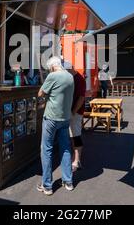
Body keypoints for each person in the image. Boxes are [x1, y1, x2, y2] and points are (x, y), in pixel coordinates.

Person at [37, 57, 75, 196]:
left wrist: (46, 83)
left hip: (51, 118)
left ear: (52, 67)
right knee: (65, 148)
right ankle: (68, 181)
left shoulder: (52, 76)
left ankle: (47, 185)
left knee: (46, 150)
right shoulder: (70, 76)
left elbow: (40, 93)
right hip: (65, 118)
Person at [63, 61, 86, 172]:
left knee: (75, 135)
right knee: (72, 135)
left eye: (65, 70)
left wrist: (73, 112)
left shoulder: (79, 79)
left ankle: (77, 160)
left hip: (76, 112)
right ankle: (74, 158)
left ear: (70, 69)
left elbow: (81, 98)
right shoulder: (71, 77)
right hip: (71, 111)